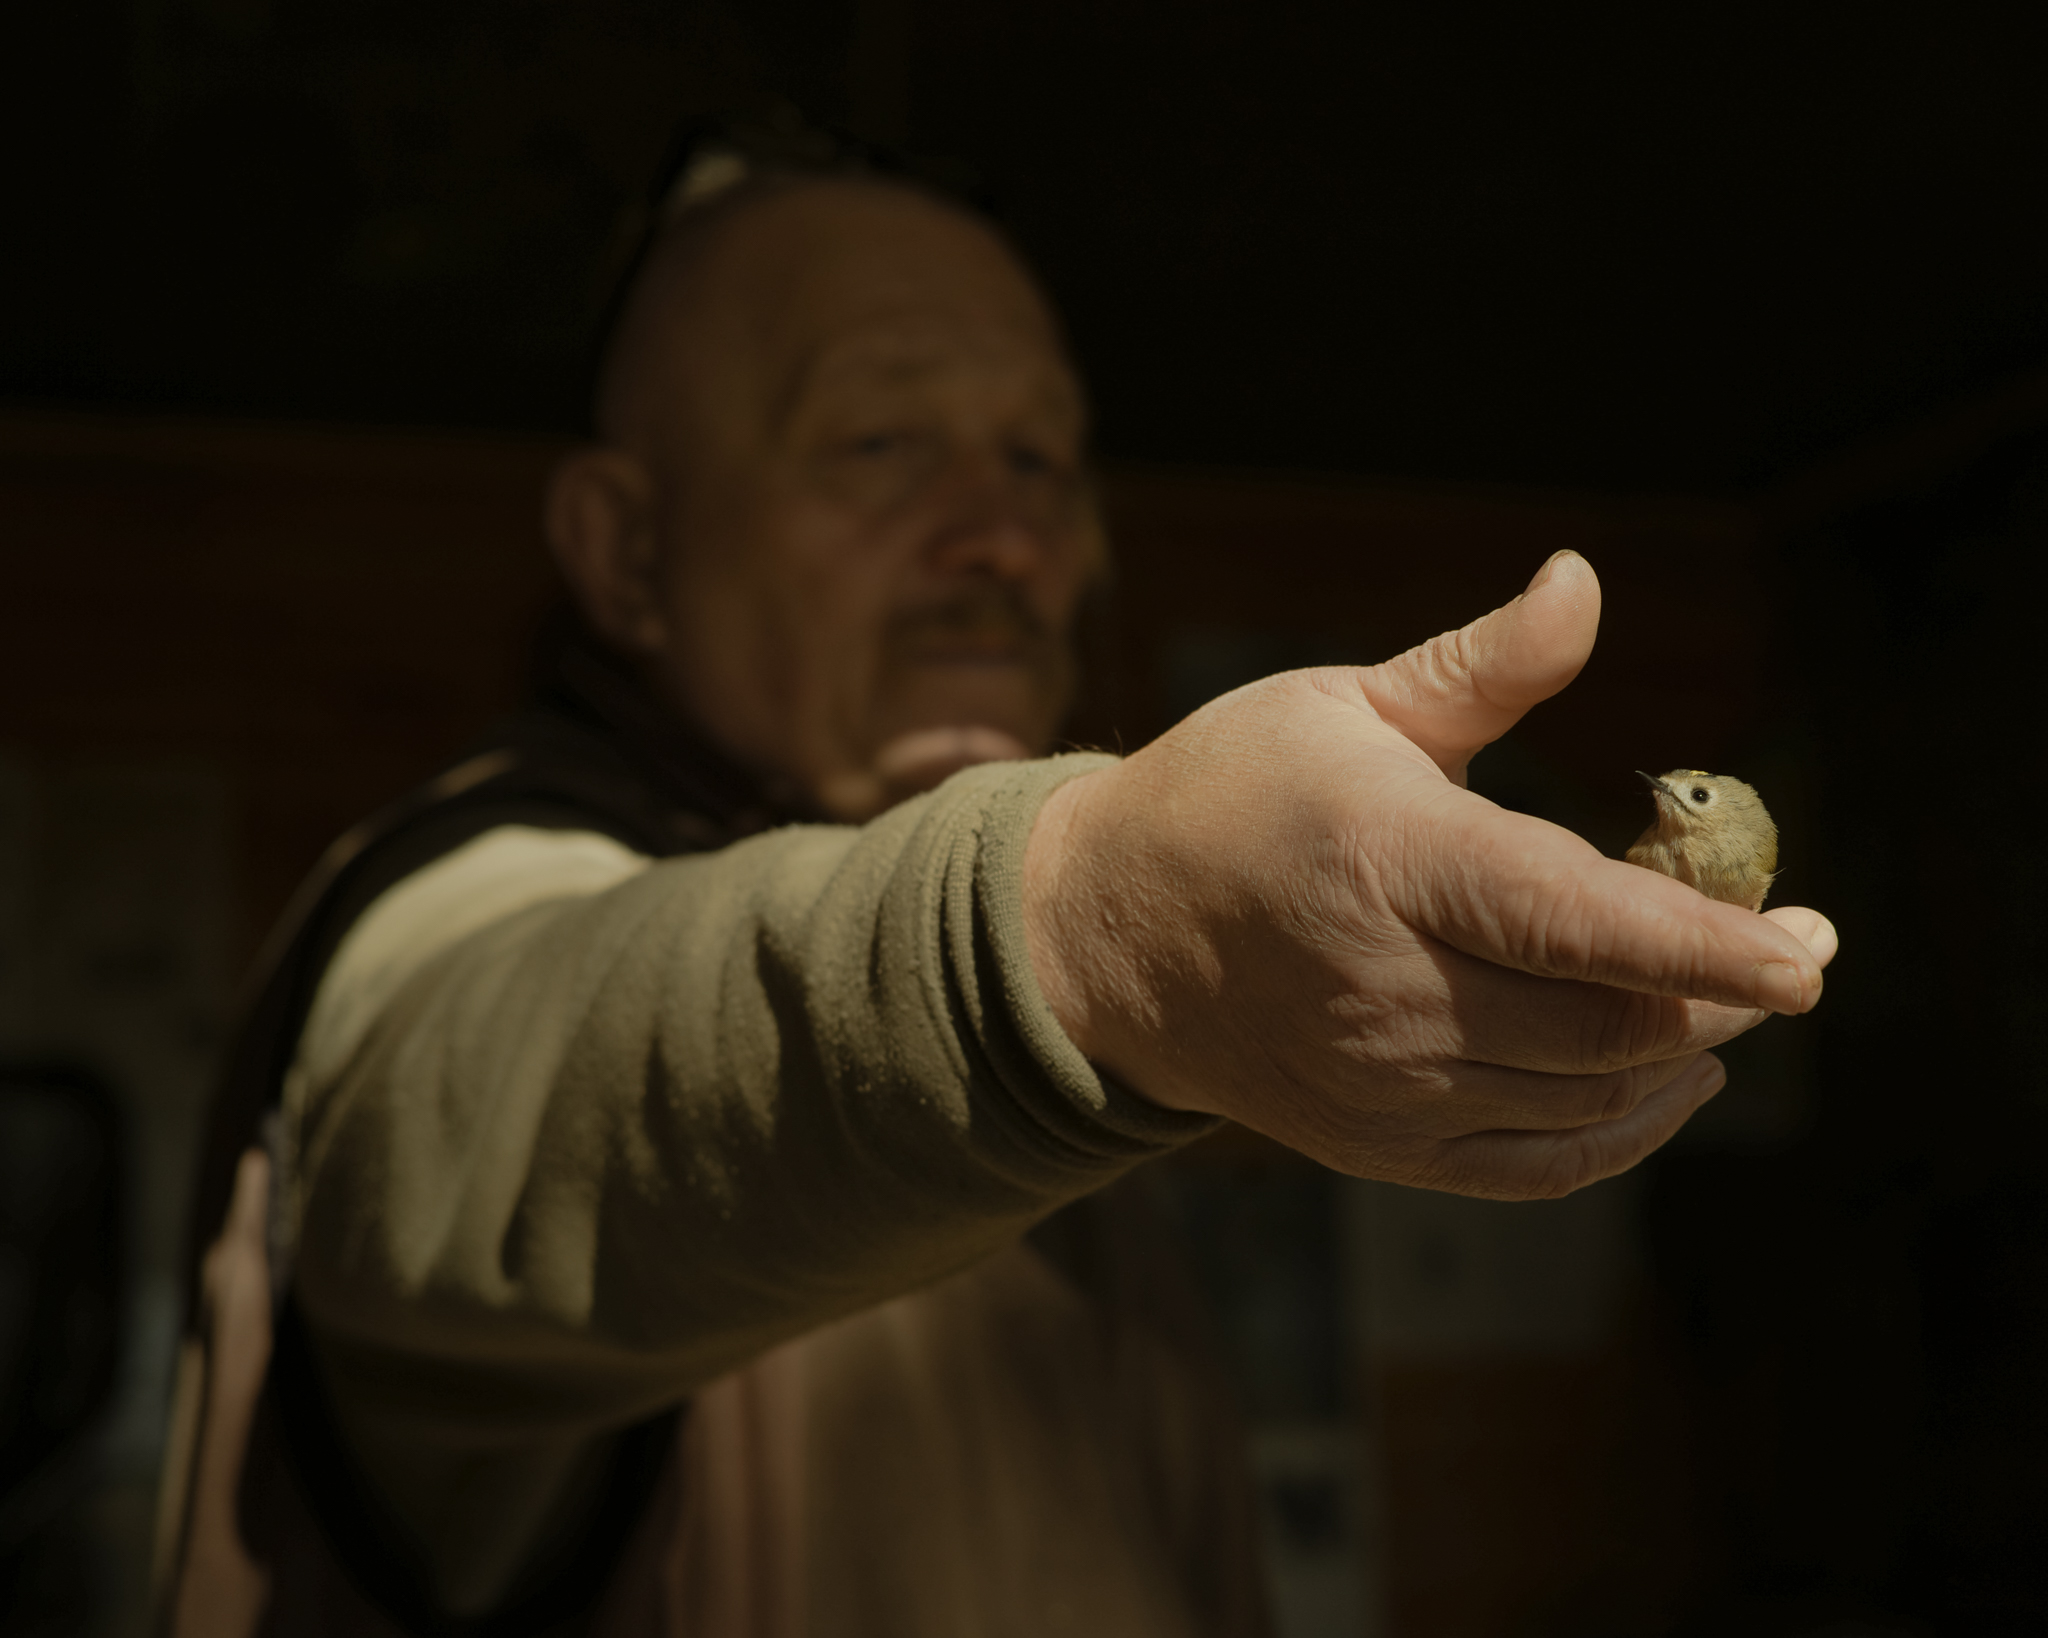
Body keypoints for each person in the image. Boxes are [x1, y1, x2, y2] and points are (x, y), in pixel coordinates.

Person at [156, 132, 1837, 1638]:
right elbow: (532, 1083)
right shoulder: (450, 901)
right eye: (882, 440)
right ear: (628, 547)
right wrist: (1082, 935)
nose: (1003, 536)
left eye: (1042, 463)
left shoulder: (1119, 1124)